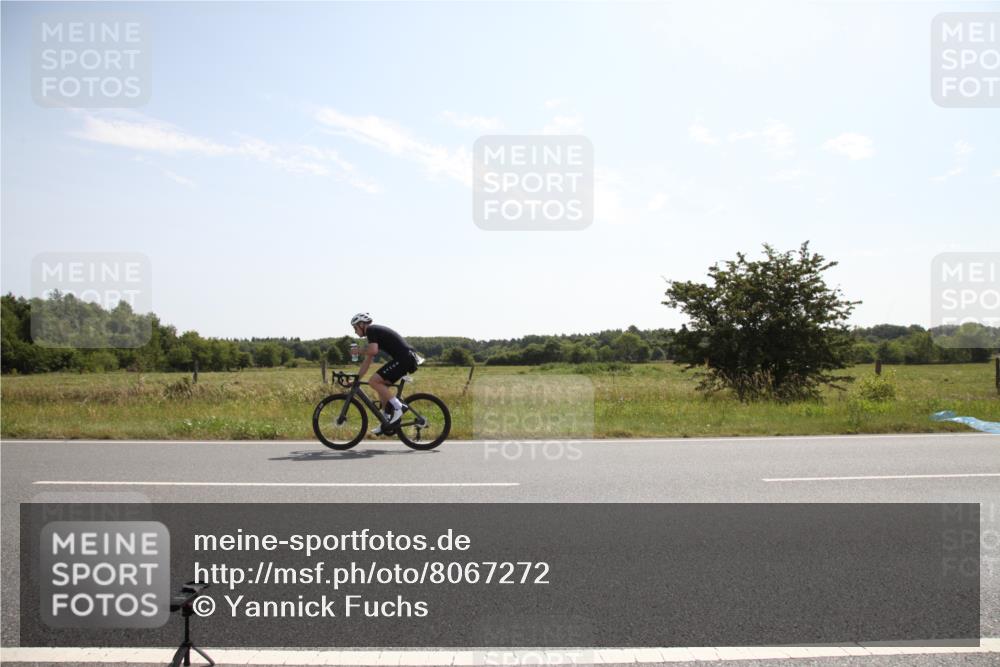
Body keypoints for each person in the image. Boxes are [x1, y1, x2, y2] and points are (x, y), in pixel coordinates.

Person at [350, 313, 420, 435]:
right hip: (405, 358)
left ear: (362, 324)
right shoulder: (373, 335)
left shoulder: (371, 329)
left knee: (374, 381)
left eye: (355, 328)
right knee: (381, 386)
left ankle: (399, 407)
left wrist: (358, 351)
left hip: (404, 358)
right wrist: (357, 378)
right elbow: (368, 360)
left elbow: (372, 351)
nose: (355, 332)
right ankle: (386, 420)